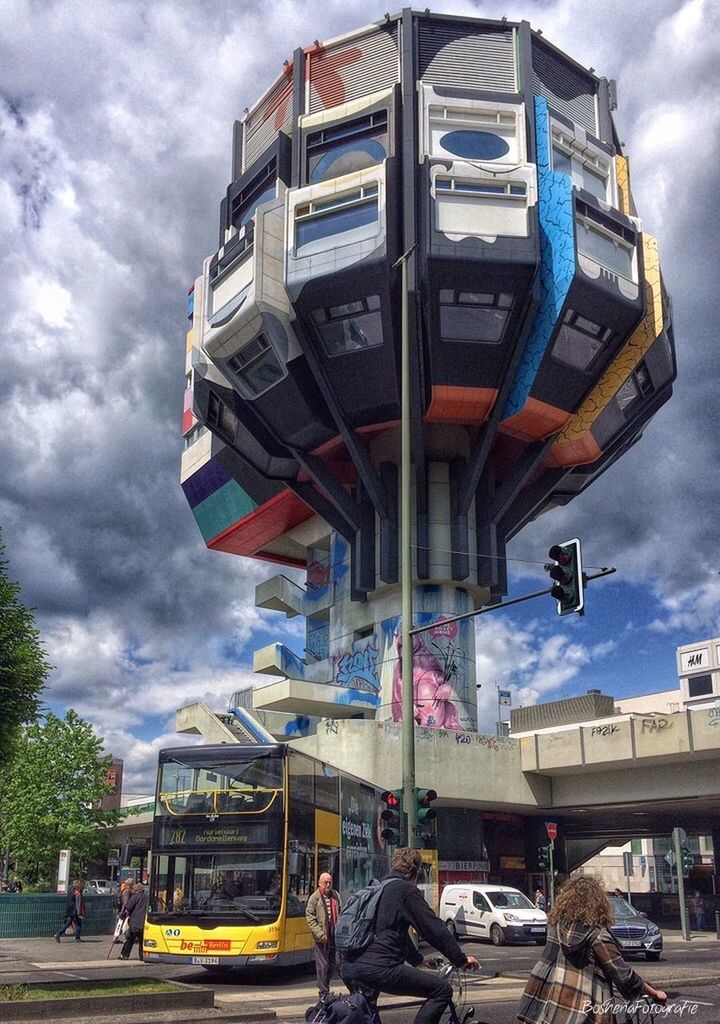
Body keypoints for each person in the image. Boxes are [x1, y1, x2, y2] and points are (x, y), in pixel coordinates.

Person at [340, 848, 480, 1024]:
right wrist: (460, 959)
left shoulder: (378, 888)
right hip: (379, 968)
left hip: (349, 966)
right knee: (441, 990)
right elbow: (433, 929)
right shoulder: (405, 891)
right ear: (416, 871)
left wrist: (418, 960)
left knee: (367, 1011)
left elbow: (395, 933)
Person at [517, 875, 666, 1024]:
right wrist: (654, 993)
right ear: (598, 903)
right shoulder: (597, 935)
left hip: (546, 1001)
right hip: (582, 1006)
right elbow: (623, 974)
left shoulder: (554, 926)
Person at [306, 872, 342, 1002]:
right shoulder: (314, 898)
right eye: (325, 882)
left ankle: (326, 986)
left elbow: (341, 912)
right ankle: (323, 992)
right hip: (321, 939)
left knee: (335, 963)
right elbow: (310, 918)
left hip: (334, 937)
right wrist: (320, 933)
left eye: (330, 882)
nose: (328, 885)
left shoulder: (336, 895)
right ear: (319, 884)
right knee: (323, 966)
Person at [119, 880, 148, 960]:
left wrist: (122, 916)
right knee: (142, 940)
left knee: (130, 939)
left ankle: (124, 955)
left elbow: (128, 907)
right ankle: (142, 956)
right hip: (144, 923)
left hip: (135, 922)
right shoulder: (147, 897)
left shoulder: (136, 897)